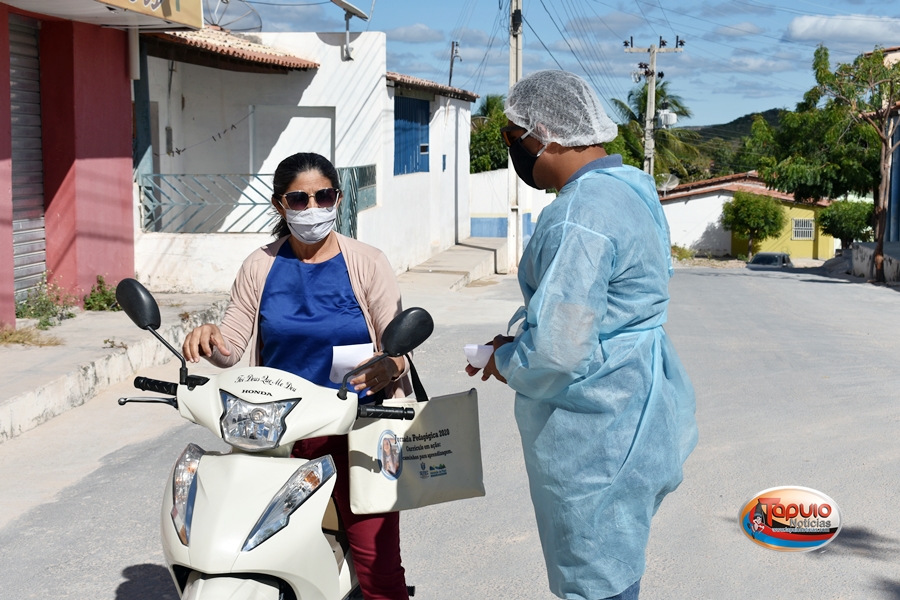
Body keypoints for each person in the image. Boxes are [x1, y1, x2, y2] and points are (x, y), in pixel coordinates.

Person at [466, 70, 698, 600]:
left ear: (543, 133)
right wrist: (515, 345)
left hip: (595, 430)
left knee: (594, 579)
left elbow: (558, 349)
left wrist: (506, 360)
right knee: (617, 564)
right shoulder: (631, 187)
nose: (512, 150)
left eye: (512, 136)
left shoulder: (578, 215)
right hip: (639, 403)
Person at [182, 152, 411, 600]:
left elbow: (399, 349)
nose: (313, 208)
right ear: (279, 205)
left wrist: (389, 365)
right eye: (299, 200)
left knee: (377, 564)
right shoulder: (260, 265)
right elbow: (231, 346)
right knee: (252, 547)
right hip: (278, 433)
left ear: (338, 198)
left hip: (358, 431)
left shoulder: (367, 262)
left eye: (323, 197)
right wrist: (210, 337)